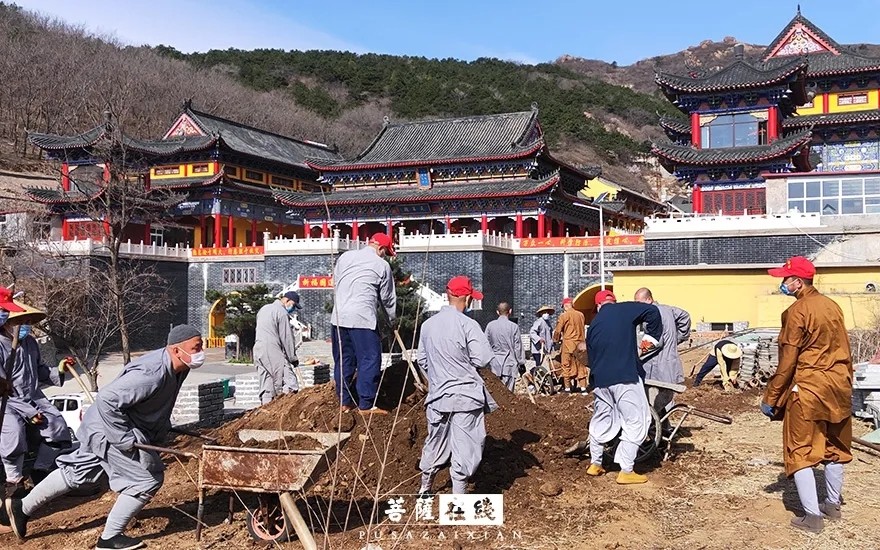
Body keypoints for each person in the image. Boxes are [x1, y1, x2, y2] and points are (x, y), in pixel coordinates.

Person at [5, 324, 205, 550]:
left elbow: (148, 403)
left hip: (107, 425)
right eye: (196, 348)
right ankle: (109, 538)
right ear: (176, 350)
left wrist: (159, 426)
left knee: (78, 473)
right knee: (146, 480)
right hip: (109, 428)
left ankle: (20, 508)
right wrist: (124, 440)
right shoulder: (151, 374)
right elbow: (108, 401)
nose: (200, 353)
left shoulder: (179, 367)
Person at [762, 256, 853, 534]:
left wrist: (771, 396)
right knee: (835, 448)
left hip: (809, 388)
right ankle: (832, 504)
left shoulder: (797, 312)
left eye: (785, 279)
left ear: (797, 282)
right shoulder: (832, 306)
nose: (782, 283)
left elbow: (788, 360)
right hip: (839, 387)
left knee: (800, 450)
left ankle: (812, 517)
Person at [417, 276, 498, 494]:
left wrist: (436, 377)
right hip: (466, 396)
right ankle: (458, 497)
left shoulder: (427, 325)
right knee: (466, 445)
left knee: (435, 441)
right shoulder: (468, 324)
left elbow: (422, 360)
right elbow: (482, 358)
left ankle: (425, 489)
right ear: (467, 297)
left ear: (448, 294)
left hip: (438, 396)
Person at [585, 290, 662, 484]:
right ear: (614, 301)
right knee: (636, 419)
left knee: (602, 418)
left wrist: (594, 384)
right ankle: (626, 470)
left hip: (601, 381)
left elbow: (591, 359)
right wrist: (650, 339)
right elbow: (652, 312)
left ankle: (595, 463)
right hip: (625, 376)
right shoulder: (624, 309)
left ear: (598, 306)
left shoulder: (593, 326)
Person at [331, 232, 397, 415]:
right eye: (386, 252)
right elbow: (388, 299)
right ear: (381, 248)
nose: (385, 256)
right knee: (369, 358)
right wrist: (392, 320)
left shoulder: (345, 257)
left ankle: (344, 401)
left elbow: (336, 282)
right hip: (362, 318)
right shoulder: (382, 266)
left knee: (344, 359)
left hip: (338, 317)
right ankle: (366, 404)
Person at [0, 322, 72, 489]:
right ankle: (14, 481)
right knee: (13, 434)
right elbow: (2, 387)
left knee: (57, 427)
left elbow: (39, 370)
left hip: (34, 396)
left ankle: (40, 471)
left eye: (27, 322)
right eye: (19, 322)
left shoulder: (30, 342)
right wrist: (29, 412)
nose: (24, 326)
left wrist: (59, 370)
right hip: (6, 402)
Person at [633, 288, 691, 420]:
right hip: (665, 360)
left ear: (649, 299)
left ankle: (661, 427)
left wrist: (637, 353)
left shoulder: (652, 314)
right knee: (662, 397)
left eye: (639, 302)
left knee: (661, 398)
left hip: (659, 362)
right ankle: (664, 427)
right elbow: (685, 316)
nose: (638, 307)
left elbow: (655, 342)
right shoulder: (668, 309)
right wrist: (677, 338)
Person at [253, 290, 301, 404]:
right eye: (293, 305)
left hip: (258, 349)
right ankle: (287, 410)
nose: (293, 309)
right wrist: (293, 358)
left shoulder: (264, 309)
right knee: (289, 382)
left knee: (267, 384)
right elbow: (287, 337)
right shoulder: (282, 312)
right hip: (272, 350)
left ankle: (266, 410)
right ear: (287, 300)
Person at [484, 302, 524, 391]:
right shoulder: (514, 327)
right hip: (509, 364)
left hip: (494, 364)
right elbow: (518, 347)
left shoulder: (490, 326)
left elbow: (485, 344)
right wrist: (521, 363)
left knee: (496, 394)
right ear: (510, 311)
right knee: (508, 395)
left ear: (497, 312)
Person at [553, 297, 587, 393]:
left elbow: (558, 331)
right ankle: (583, 388)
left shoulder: (564, 316)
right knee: (581, 366)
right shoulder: (581, 315)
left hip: (568, 344)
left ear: (565, 306)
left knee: (566, 365)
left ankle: (567, 389)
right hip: (581, 344)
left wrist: (555, 340)